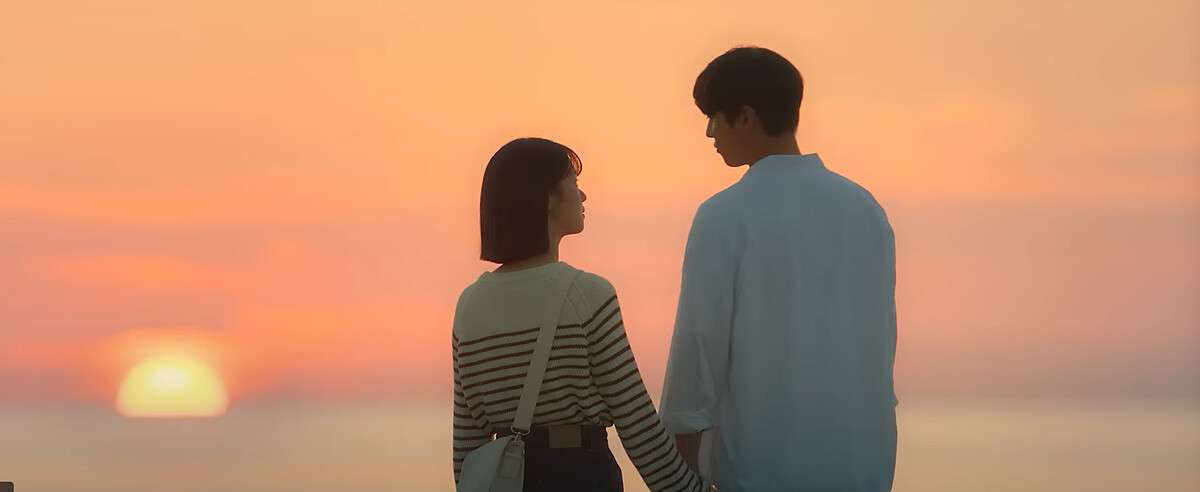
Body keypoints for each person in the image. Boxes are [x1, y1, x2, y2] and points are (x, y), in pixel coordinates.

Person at [659, 47, 899, 491]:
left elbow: (696, 354)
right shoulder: (866, 210)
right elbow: (883, 341)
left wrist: (680, 476)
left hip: (760, 473)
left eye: (713, 117)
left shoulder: (724, 215)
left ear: (745, 117)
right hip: (863, 468)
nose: (709, 132)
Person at [452, 138, 708, 491]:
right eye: (574, 182)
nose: (583, 195)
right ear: (547, 198)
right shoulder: (588, 295)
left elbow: (466, 446)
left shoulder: (469, 306)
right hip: (580, 473)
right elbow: (636, 422)